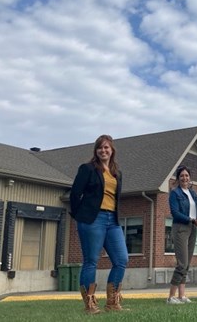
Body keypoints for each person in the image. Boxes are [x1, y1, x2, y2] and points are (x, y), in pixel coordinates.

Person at [70, 134, 129, 314]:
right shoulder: (87, 169)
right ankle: (90, 304)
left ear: (112, 151)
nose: (103, 150)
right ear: (96, 151)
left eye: (106, 148)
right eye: (100, 148)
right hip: (92, 220)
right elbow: (74, 194)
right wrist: (80, 215)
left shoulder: (117, 173)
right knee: (91, 261)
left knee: (121, 260)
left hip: (113, 220)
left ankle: (112, 302)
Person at [167, 165, 197, 304]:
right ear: (178, 178)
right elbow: (175, 213)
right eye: (182, 176)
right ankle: (171, 297)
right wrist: (193, 220)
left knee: (187, 264)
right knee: (182, 263)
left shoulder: (193, 194)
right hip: (181, 228)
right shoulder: (175, 193)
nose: (184, 178)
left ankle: (182, 296)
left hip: (193, 228)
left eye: (187, 175)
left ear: (190, 178)